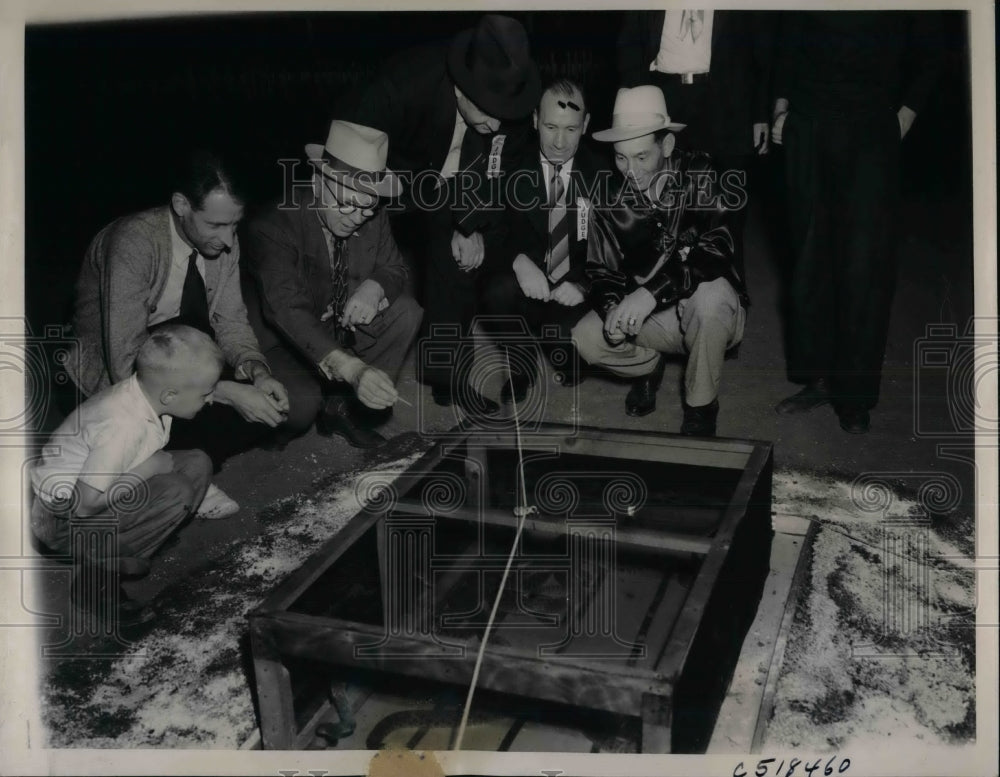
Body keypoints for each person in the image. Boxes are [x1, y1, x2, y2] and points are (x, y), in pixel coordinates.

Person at [346, 14, 540, 416]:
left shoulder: (512, 107)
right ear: (460, 87)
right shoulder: (403, 85)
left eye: (506, 111)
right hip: (400, 177)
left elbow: (504, 172)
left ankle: (445, 373)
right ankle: (431, 371)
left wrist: (470, 223)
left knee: (461, 258)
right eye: (487, 109)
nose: (496, 123)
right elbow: (349, 150)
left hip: (475, 182)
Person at [65, 151, 289, 496]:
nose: (229, 240)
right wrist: (226, 394)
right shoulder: (133, 243)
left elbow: (229, 320)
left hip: (178, 350)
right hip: (117, 372)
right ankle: (168, 472)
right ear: (181, 205)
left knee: (285, 411)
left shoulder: (223, 241)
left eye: (235, 225)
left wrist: (256, 369)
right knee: (210, 427)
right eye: (215, 225)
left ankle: (182, 458)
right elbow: (124, 364)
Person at [770, 12, 942, 433]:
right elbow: (788, 35)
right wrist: (782, 107)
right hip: (808, 123)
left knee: (863, 264)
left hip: (871, 124)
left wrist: (906, 113)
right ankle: (820, 379)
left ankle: (855, 394)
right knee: (810, 260)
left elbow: (932, 46)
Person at [572, 86, 747, 436]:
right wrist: (612, 312)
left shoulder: (701, 172)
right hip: (655, 321)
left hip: (709, 315)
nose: (630, 170)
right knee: (585, 338)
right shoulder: (606, 195)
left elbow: (718, 248)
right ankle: (647, 369)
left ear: (666, 146)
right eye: (621, 158)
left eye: (641, 157)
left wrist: (651, 291)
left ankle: (700, 407)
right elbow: (600, 271)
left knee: (710, 299)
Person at [243, 120, 422, 449]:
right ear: (317, 181)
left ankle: (345, 409)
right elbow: (287, 310)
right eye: (345, 203)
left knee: (405, 311)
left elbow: (394, 266)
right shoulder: (272, 226)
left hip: (339, 321)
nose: (357, 216)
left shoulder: (370, 209)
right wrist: (353, 369)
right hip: (288, 338)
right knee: (297, 408)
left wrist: (375, 287)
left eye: (367, 207)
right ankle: (261, 431)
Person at [30, 325, 223, 626]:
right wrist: (147, 470)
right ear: (170, 394)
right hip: (58, 519)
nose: (211, 400)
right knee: (175, 491)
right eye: (206, 393)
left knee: (197, 463)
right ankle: (96, 585)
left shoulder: (147, 395)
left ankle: (139, 535)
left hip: (88, 496)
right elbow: (83, 504)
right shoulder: (122, 425)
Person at [617, 10, 774, 286]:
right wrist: (634, 103)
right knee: (665, 205)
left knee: (730, 203)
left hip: (729, 100)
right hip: (665, 95)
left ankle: (731, 294)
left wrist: (760, 112)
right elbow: (629, 41)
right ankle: (662, 292)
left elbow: (760, 44)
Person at [480, 78, 606, 402]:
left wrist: (584, 285)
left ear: (586, 124)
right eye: (551, 127)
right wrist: (517, 260)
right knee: (497, 291)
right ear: (535, 119)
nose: (560, 142)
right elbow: (491, 229)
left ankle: (564, 349)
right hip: (528, 284)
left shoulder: (604, 172)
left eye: (571, 129)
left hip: (574, 288)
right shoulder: (508, 165)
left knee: (570, 349)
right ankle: (521, 367)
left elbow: (616, 250)